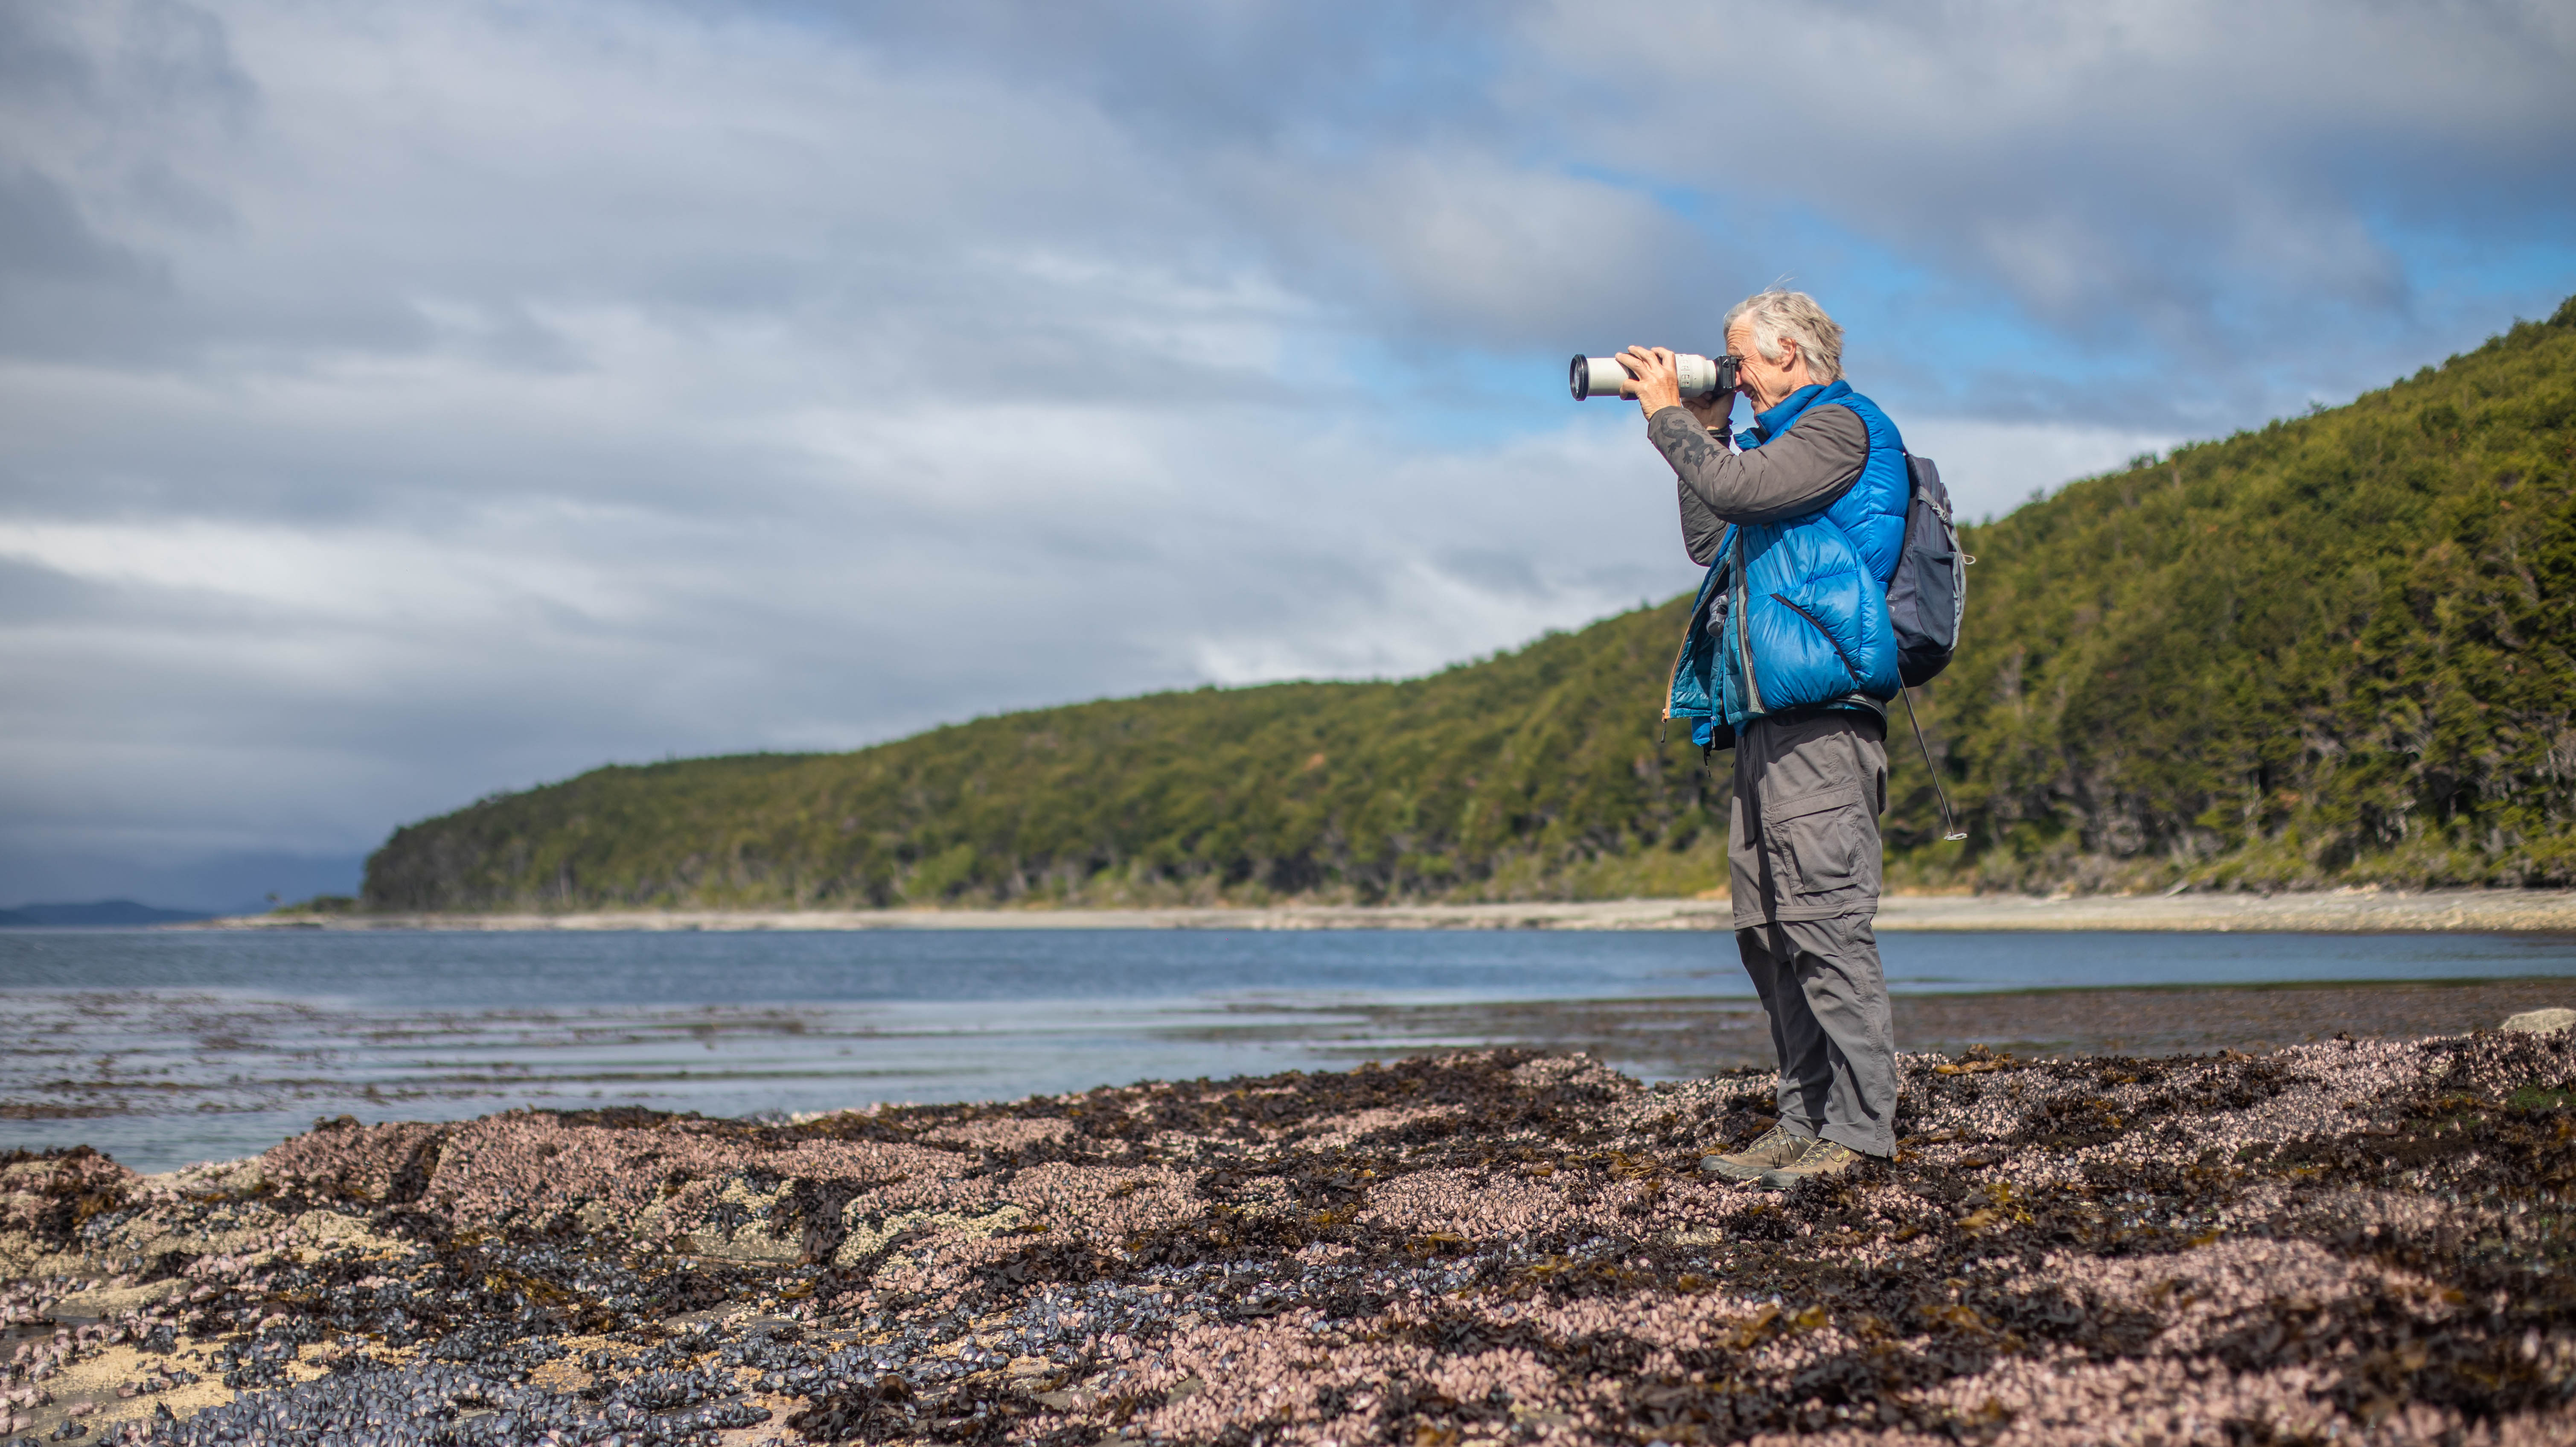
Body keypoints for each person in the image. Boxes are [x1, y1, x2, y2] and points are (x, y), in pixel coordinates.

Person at [1617, 289, 1904, 1190]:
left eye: (1737, 360)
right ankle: (1803, 1117)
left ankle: (1858, 1135)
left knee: (1823, 922)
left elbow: (1737, 489)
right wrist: (1696, 435)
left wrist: (1671, 418)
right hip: (1758, 720)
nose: (1731, 376)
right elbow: (1713, 531)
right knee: (1767, 931)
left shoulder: (1841, 429)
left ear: (1787, 353)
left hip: (1821, 716)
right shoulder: (1772, 449)